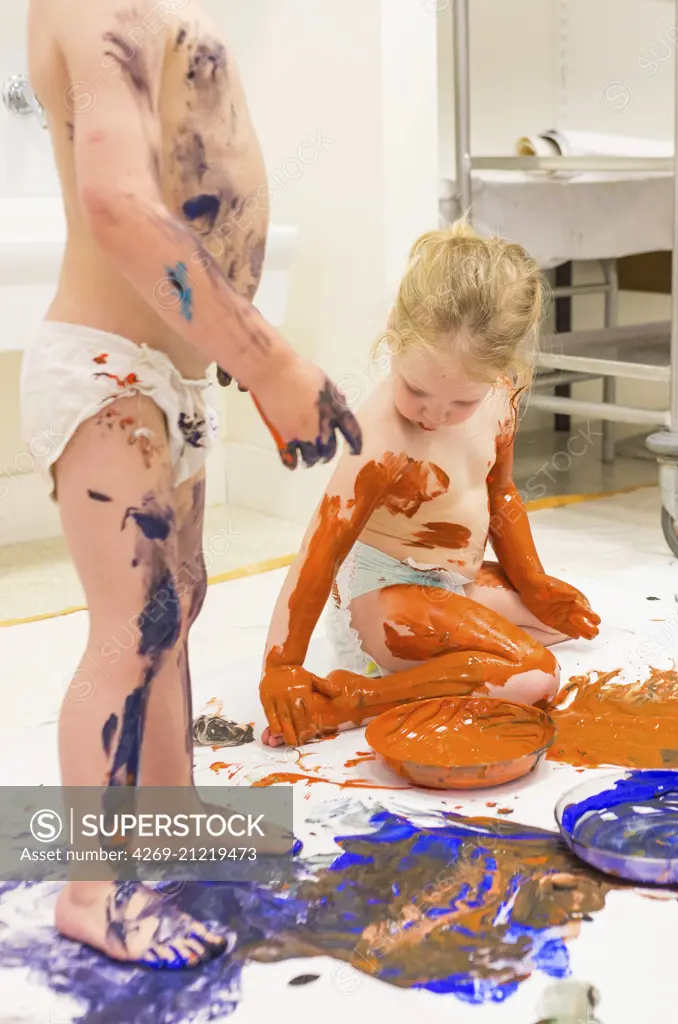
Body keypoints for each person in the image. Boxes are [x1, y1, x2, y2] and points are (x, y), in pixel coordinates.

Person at [22, 0, 361, 969]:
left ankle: (170, 817)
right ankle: (94, 889)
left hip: (167, 376)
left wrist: (221, 357)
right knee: (130, 630)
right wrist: (269, 363)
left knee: (175, 607)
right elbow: (118, 205)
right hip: (108, 374)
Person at [260, 221, 600, 747]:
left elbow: (500, 494)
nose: (436, 414)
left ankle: (428, 671)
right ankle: (356, 699)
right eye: (417, 389)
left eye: (461, 402)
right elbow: (319, 554)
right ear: (394, 334)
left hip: (449, 582)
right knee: (535, 673)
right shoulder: (379, 439)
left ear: (501, 370)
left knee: (558, 620)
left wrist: (532, 582)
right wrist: (282, 665)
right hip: (383, 597)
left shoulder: (500, 398)